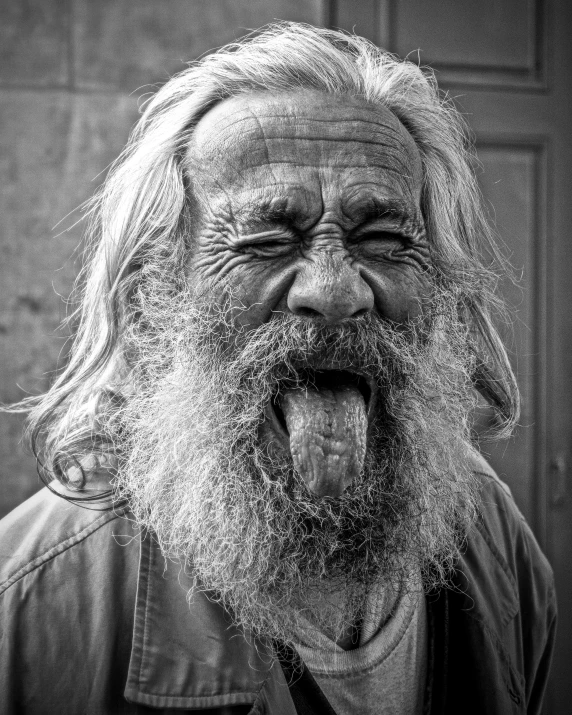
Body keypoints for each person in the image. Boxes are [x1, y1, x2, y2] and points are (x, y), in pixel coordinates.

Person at [0, 23, 556, 715]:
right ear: (149, 299)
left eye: (383, 239)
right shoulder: (30, 601)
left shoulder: (490, 535)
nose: (334, 289)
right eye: (266, 239)